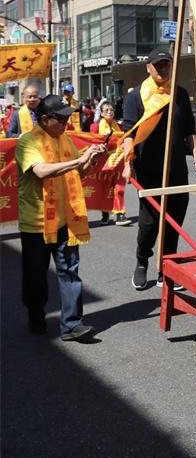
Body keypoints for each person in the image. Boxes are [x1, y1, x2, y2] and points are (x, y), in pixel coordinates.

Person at [16, 94, 107, 339]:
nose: (67, 123)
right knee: (36, 276)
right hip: (37, 223)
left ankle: (72, 325)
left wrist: (91, 160)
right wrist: (79, 160)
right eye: (62, 119)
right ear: (46, 119)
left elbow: (78, 172)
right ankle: (36, 314)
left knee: (70, 271)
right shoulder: (28, 141)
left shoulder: (65, 139)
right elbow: (41, 171)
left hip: (66, 218)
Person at [122, 48, 196, 290]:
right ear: (148, 67)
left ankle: (167, 269)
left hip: (177, 169)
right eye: (158, 65)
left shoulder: (179, 93)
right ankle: (142, 260)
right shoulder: (137, 96)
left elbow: (190, 131)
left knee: (173, 222)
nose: (163, 69)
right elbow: (129, 133)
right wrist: (127, 163)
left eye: (166, 64)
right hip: (148, 170)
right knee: (149, 224)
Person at [98, 102, 131, 227]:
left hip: (118, 160)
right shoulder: (101, 125)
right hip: (106, 161)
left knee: (119, 187)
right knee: (105, 188)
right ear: (101, 113)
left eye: (111, 110)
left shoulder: (117, 125)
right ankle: (105, 213)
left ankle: (120, 214)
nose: (109, 112)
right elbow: (107, 139)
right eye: (106, 110)